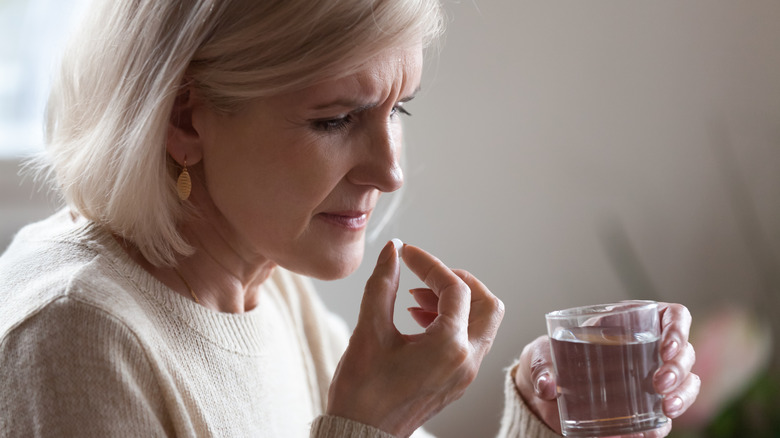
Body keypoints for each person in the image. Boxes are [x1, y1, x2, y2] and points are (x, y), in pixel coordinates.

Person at [0, 0, 700, 436]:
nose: (391, 170)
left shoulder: (266, 288)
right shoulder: (72, 337)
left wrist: (542, 412)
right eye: (335, 118)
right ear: (185, 119)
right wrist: (366, 427)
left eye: (400, 108)